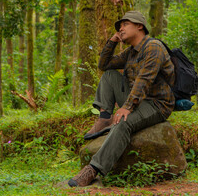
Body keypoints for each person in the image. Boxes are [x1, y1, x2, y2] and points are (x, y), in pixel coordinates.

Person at [68, 11, 175, 187]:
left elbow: (144, 80)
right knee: (110, 75)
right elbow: (104, 65)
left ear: (139, 25)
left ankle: (93, 169)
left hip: (157, 104)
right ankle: (104, 119)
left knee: (123, 122)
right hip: (139, 98)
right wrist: (112, 41)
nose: (120, 28)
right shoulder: (131, 52)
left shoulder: (153, 47)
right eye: (119, 27)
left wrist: (127, 107)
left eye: (125, 24)